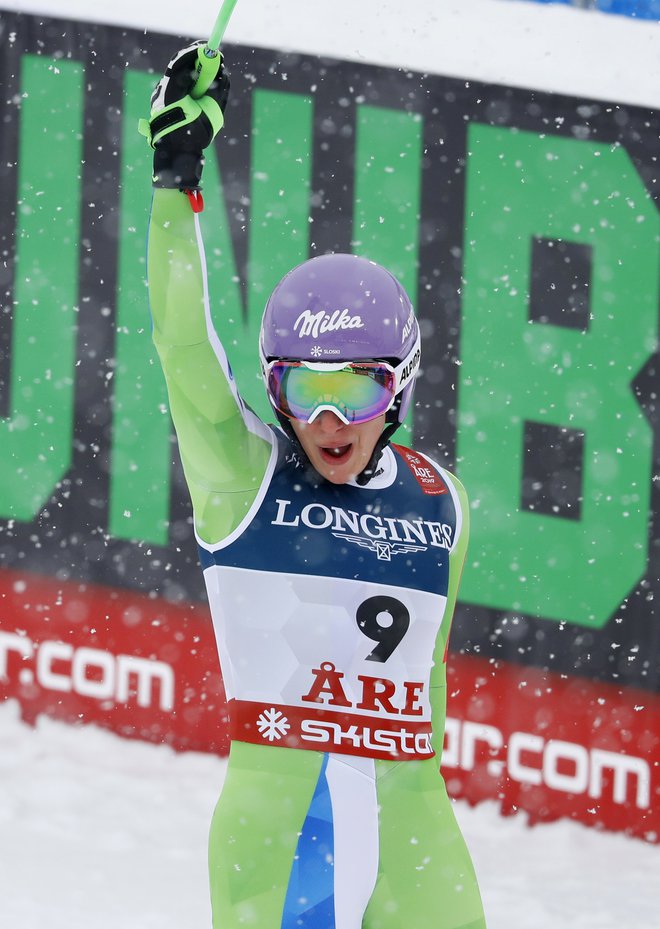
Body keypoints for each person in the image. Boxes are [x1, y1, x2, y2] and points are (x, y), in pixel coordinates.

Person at [142, 42, 486, 929]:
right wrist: (173, 182)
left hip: (418, 844)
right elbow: (185, 346)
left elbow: (428, 683)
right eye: (305, 388)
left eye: (358, 387)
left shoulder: (439, 497)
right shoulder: (241, 480)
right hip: (288, 842)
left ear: (401, 384)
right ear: (274, 388)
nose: (330, 421)